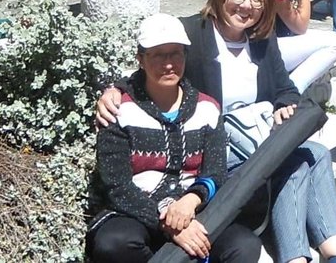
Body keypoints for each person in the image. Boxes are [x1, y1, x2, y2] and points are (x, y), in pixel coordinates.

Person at [93, 0, 336, 263]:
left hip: (249, 134)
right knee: (292, 161)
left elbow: (284, 86)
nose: (247, 5)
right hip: (219, 141)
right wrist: (115, 89)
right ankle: (297, 257)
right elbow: (155, 66)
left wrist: (286, 104)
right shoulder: (192, 34)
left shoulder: (261, 38)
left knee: (312, 153)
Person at [88, 13, 263, 263]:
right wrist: (166, 219)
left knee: (243, 245)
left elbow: (215, 173)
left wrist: (191, 200)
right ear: (141, 58)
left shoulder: (207, 108)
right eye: (158, 55)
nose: (169, 64)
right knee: (114, 243)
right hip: (139, 212)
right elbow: (116, 185)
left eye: (176, 54)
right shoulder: (119, 112)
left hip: (193, 209)